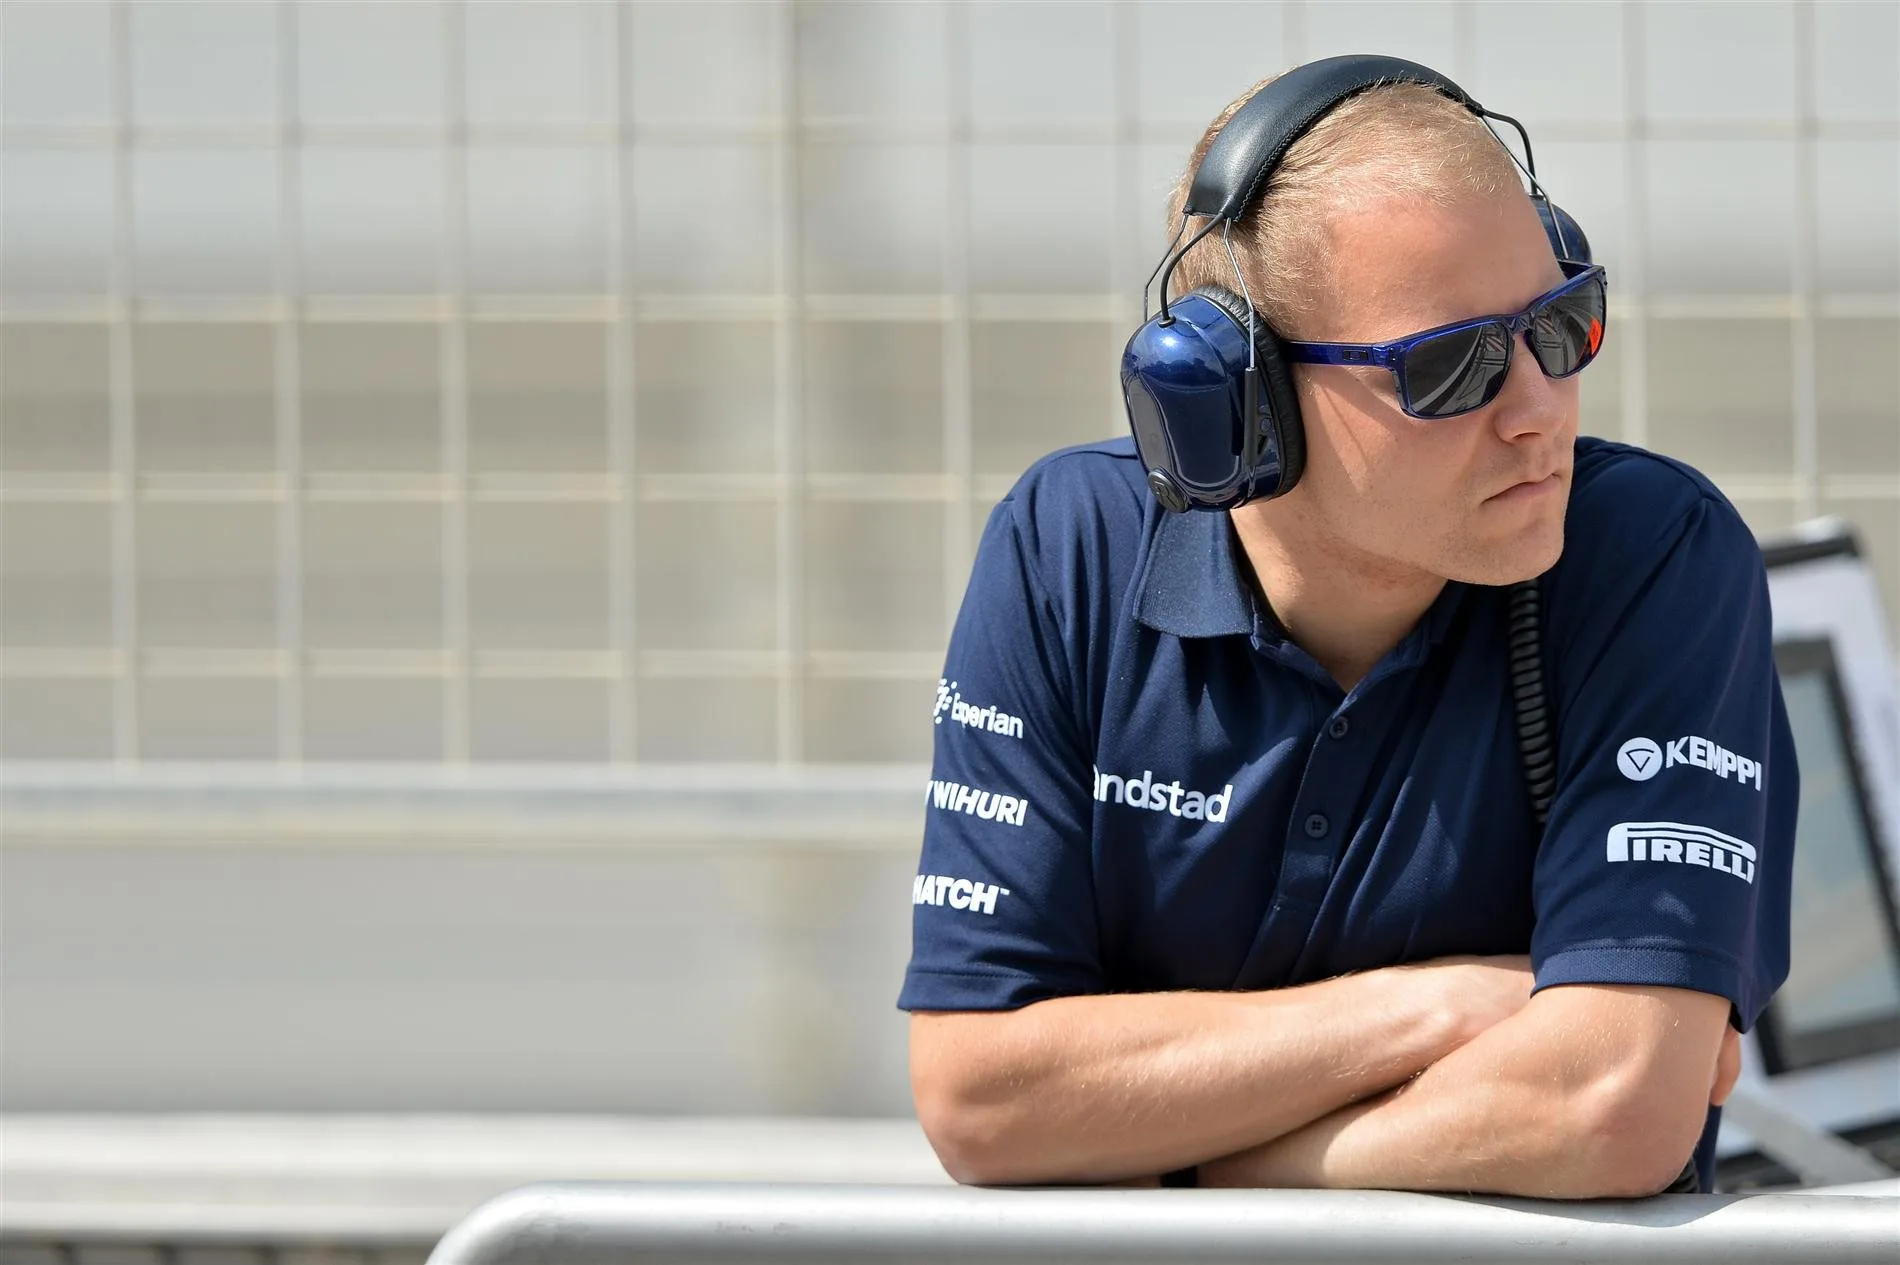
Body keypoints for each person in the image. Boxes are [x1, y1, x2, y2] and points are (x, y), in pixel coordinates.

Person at [898, 57, 1795, 1199]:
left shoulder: (1653, 552)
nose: (1538, 410)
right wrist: (1432, 1004)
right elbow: (982, 1096)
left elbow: (1610, 1101)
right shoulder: (1062, 545)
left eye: (1560, 325)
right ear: (1239, 406)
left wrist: (1196, 1160)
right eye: (1451, 365)